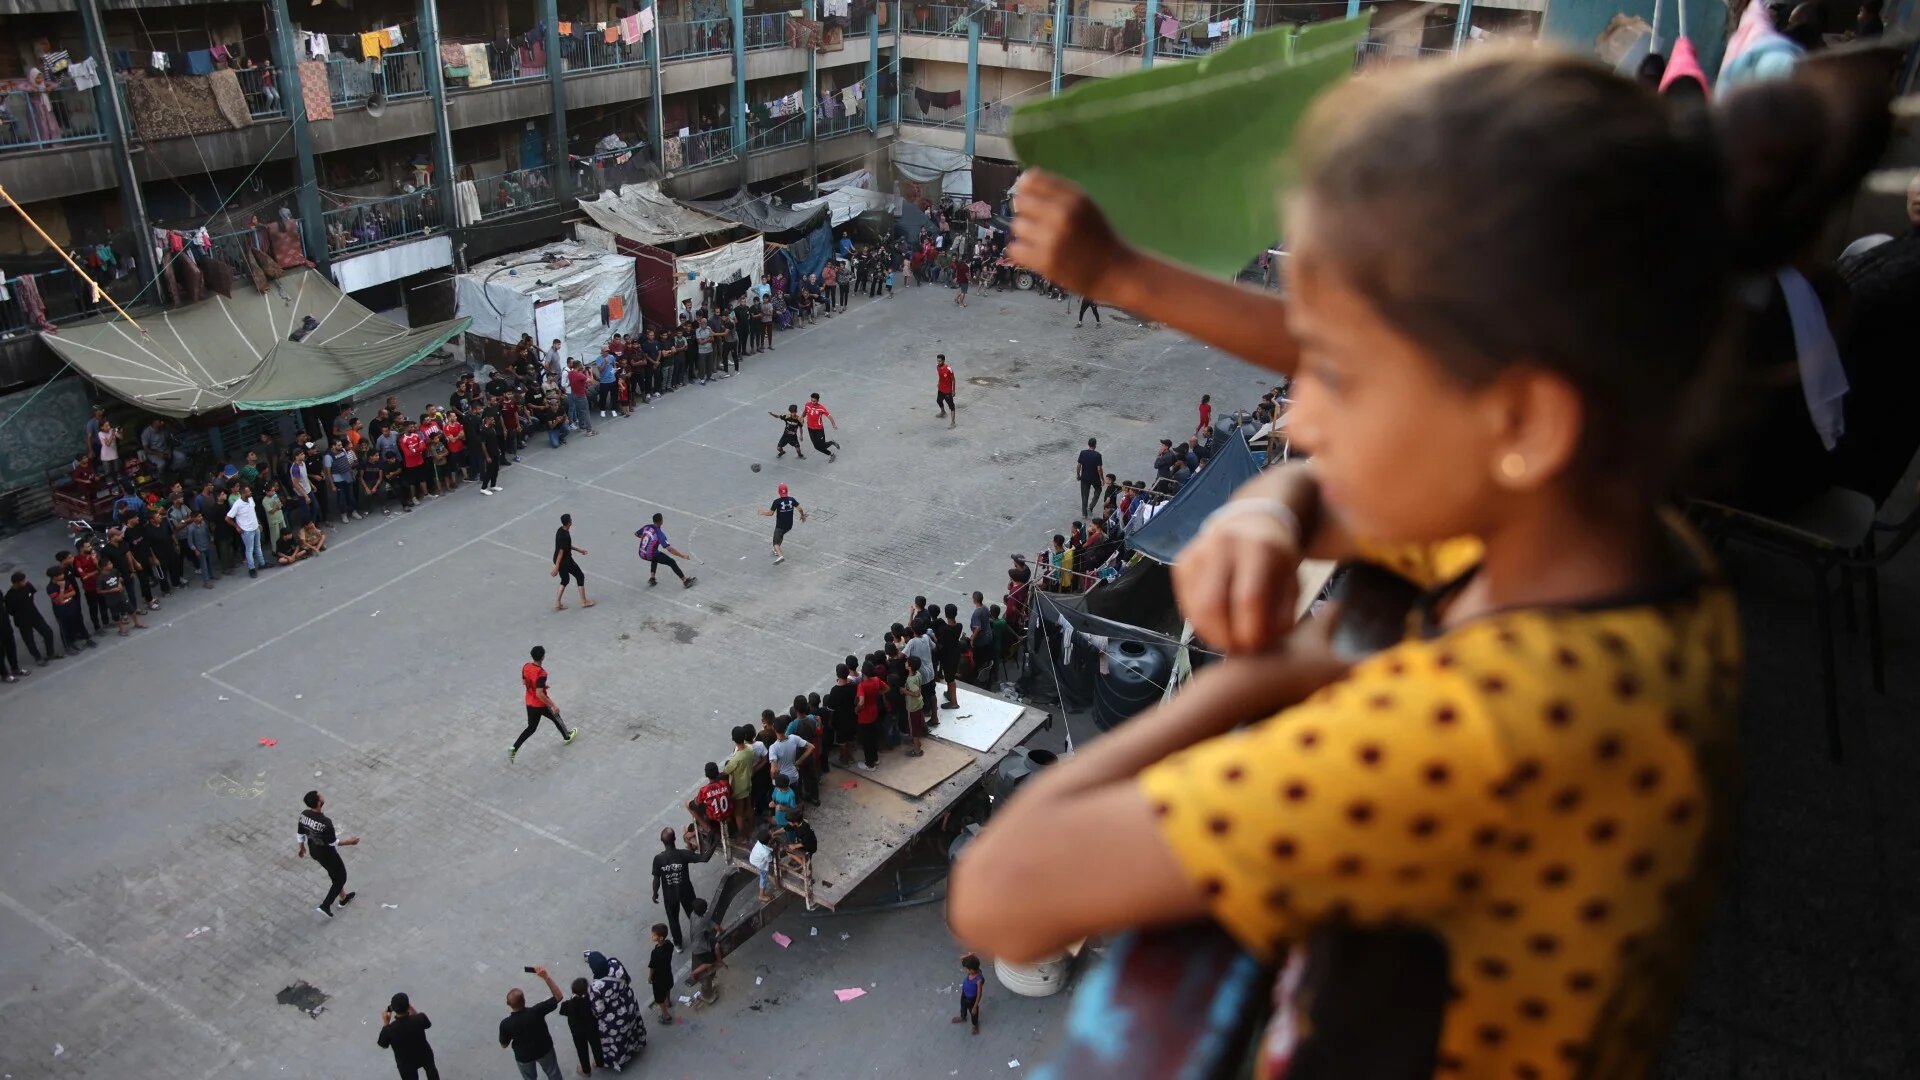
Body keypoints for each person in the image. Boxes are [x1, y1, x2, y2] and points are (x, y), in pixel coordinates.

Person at [940, 49, 1892, 1076]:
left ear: (1524, 419)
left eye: (1337, 373)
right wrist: (1276, 506)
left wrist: (1262, 681)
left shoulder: (1473, 731)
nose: (1294, 410)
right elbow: (1361, 497)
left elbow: (1003, 893)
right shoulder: (1626, 553)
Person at [296, 790, 358, 916]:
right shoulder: (326, 823)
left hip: (314, 851)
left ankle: (343, 898)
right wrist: (350, 842)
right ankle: (325, 905)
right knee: (341, 877)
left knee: (334, 874)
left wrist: (302, 848)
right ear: (319, 803)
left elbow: (300, 834)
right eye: (320, 796)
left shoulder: (304, 815)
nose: (323, 796)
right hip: (327, 854)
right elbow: (332, 842)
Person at [499, 966, 566, 1080]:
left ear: (509, 1004)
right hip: (544, 1048)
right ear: (524, 1000)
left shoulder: (506, 1024)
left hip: (524, 1056)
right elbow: (558, 996)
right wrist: (546, 977)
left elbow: (504, 1045)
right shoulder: (537, 1011)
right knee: (553, 1072)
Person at [583, 951, 646, 1072]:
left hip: (614, 1016)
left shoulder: (596, 986)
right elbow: (627, 979)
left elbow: (598, 1009)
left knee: (617, 1039)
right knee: (631, 1026)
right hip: (628, 1003)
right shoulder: (614, 963)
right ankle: (636, 1045)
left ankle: (621, 1060)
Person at [651, 826, 713, 949]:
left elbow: (656, 878)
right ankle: (700, 934)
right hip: (686, 891)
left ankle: (678, 943)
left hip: (669, 895)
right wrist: (715, 842)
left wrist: (655, 893)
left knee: (673, 919)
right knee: (694, 915)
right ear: (675, 839)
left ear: (662, 841)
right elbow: (704, 858)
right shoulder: (683, 855)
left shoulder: (658, 859)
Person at [514, 645, 578, 760]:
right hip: (540, 703)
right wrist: (553, 705)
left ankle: (514, 748)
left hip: (529, 702)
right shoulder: (541, 673)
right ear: (543, 657)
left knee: (531, 728)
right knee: (556, 716)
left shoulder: (526, 666)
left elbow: (525, 682)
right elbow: (539, 694)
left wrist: (541, 685)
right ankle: (567, 737)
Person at [377, 992, 439, 1080]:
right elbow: (427, 1024)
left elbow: (382, 1044)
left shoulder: (389, 1030)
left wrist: (386, 1022)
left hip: (405, 1063)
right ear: (408, 1006)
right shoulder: (419, 1018)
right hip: (424, 1054)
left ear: (394, 1009)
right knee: (432, 1072)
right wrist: (410, 1008)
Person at [6, 572, 60, 666]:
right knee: (29, 640)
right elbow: (10, 611)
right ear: (16, 583)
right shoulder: (9, 596)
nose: (25, 582)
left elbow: (32, 593)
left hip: (35, 616)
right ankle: (38, 657)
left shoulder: (28, 586)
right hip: (23, 621)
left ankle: (50, 653)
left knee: (48, 633)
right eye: (23, 581)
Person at [559, 977, 604, 1076]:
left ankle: (586, 1070)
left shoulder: (569, 1004)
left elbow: (562, 1010)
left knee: (582, 1050)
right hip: (592, 1028)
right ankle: (599, 1062)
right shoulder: (590, 1000)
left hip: (578, 1032)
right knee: (596, 1045)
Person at [636, 513, 695, 588]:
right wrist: (682, 556)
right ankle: (685, 581)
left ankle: (652, 578)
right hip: (649, 554)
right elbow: (669, 549)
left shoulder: (647, 527)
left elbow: (637, 534)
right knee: (671, 562)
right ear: (661, 521)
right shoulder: (659, 534)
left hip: (641, 553)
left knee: (655, 555)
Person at [552, 514, 595, 610]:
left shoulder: (560, 530)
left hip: (558, 559)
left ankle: (557, 602)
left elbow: (566, 546)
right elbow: (561, 552)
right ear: (568, 523)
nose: (571, 521)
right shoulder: (565, 536)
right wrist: (557, 567)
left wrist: (579, 550)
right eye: (570, 520)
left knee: (565, 579)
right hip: (565, 561)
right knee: (580, 576)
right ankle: (584, 601)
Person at [759, 482, 807, 563]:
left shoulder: (776, 502)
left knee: (775, 542)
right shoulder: (792, 499)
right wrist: (802, 515)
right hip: (789, 525)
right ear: (787, 491)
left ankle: (780, 556)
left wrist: (762, 512)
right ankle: (775, 550)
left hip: (780, 525)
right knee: (781, 535)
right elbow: (800, 509)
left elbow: (771, 513)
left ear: (779, 492)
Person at [226, 483, 265, 578]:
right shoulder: (237, 504)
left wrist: (258, 523)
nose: (250, 492)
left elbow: (253, 512)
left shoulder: (251, 499)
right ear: (243, 493)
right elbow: (228, 518)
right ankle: (251, 568)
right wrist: (237, 527)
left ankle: (262, 563)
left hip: (255, 527)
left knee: (258, 547)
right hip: (246, 531)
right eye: (248, 492)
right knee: (249, 550)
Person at [854, 661, 887, 771]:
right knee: (873, 737)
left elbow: (862, 702)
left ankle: (870, 764)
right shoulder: (877, 680)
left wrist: (857, 709)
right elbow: (887, 688)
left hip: (864, 717)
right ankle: (875, 758)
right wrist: (878, 694)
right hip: (874, 711)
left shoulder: (861, 686)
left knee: (866, 741)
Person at [647, 924, 676, 1025]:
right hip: (667, 974)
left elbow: (652, 968)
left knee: (659, 998)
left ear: (660, 938)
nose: (651, 936)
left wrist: (650, 978)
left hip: (658, 979)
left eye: (653, 935)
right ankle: (668, 1001)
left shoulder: (655, 953)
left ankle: (666, 1016)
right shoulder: (669, 945)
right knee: (667, 988)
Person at [803, 392, 841, 460]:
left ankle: (832, 449)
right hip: (810, 429)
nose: (812, 402)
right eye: (811, 400)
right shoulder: (807, 405)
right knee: (816, 447)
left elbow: (829, 416)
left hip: (819, 430)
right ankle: (832, 448)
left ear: (817, 401)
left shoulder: (821, 408)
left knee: (822, 445)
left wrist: (834, 425)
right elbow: (805, 412)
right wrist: (801, 417)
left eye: (814, 401)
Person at [953, 953, 985, 1033]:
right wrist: (970, 955)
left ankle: (975, 1025)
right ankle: (963, 1017)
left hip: (972, 999)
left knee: (973, 1013)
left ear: (972, 969)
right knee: (963, 1006)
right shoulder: (974, 969)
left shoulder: (978, 980)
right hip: (964, 994)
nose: (967, 971)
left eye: (968, 969)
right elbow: (961, 958)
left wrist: (975, 1006)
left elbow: (979, 993)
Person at [1076, 437, 1104, 517]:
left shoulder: (1083, 453)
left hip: (1085, 477)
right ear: (1095, 445)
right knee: (1098, 490)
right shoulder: (1098, 455)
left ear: (1088, 444)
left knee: (1084, 496)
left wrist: (1078, 474)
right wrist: (1102, 479)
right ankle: (1091, 506)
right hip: (1094, 478)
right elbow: (1099, 468)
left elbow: (1079, 465)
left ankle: (1084, 514)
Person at [934, 354, 957, 427]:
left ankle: (953, 423)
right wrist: (938, 383)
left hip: (948, 391)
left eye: (940, 361)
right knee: (938, 401)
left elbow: (953, 380)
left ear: (943, 361)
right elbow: (940, 376)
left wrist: (953, 390)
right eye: (937, 361)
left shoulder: (949, 369)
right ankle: (943, 412)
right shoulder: (937, 367)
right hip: (941, 389)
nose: (938, 362)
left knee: (951, 406)